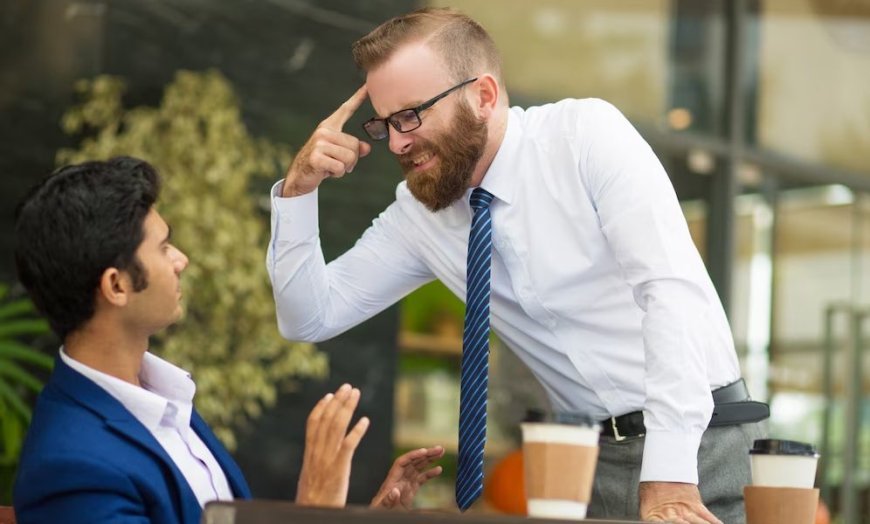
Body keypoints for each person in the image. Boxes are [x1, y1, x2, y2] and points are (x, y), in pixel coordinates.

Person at [267, 7, 771, 523]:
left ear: (483, 96)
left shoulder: (583, 137)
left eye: (411, 115)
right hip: (585, 470)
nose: (397, 141)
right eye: (385, 124)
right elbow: (310, 315)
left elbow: (669, 293)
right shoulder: (419, 217)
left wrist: (669, 478)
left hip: (701, 448)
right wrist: (299, 192)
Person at [12, 157, 444, 524]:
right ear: (117, 286)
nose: (182, 260)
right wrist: (313, 508)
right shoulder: (71, 468)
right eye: (163, 248)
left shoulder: (165, 401)